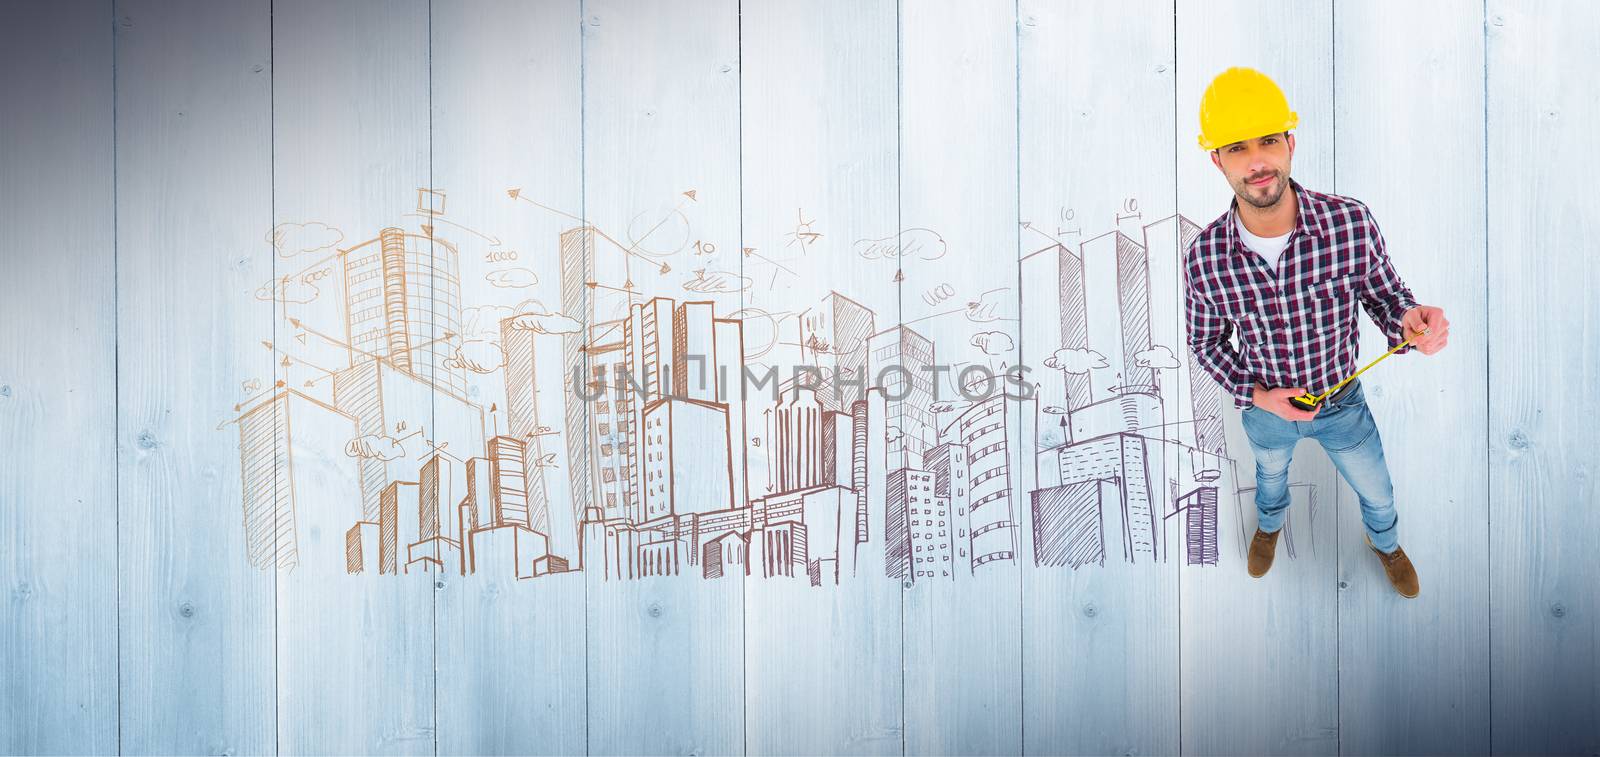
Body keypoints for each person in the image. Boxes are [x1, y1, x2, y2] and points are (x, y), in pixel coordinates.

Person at [1182, 67, 1450, 598]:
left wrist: (1409, 319)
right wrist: (1260, 397)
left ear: (1290, 143)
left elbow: (1384, 294)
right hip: (1265, 414)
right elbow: (1206, 344)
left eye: (1268, 141)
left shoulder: (1349, 222)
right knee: (1270, 478)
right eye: (1237, 148)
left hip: (1342, 403)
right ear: (1216, 159)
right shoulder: (1205, 257)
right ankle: (1270, 525)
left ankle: (1385, 543)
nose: (1257, 162)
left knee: (1377, 491)